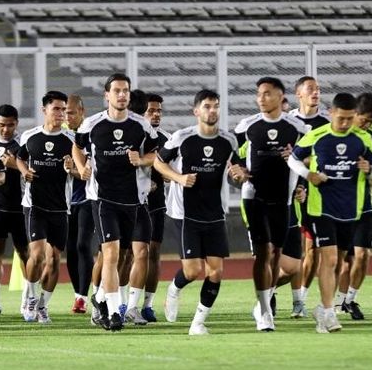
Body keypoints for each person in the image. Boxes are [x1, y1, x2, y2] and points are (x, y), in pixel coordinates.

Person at [156, 90, 247, 335]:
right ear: (196, 111)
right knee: (193, 271)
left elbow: (237, 170)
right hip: (187, 213)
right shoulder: (182, 138)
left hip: (215, 213)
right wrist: (178, 177)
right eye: (207, 106)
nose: (212, 110)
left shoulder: (228, 141)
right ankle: (174, 289)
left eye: (216, 106)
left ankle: (198, 322)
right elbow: (157, 161)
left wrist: (239, 175)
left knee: (216, 271)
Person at [72, 73, 157, 332]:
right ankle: (114, 311)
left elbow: (155, 153)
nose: (122, 95)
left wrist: (141, 160)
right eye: (117, 91)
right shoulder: (91, 124)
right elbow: (77, 147)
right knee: (110, 253)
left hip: (131, 200)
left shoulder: (141, 125)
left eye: (126, 91)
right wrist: (81, 166)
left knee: (124, 255)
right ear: (106, 95)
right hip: (102, 198)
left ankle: (99, 299)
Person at [287, 92, 372, 333]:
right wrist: (309, 175)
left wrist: (369, 170)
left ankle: (324, 308)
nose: (346, 124)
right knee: (329, 259)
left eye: (350, 118)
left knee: (339, 263)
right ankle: (327, 313)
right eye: (342, 119)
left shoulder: (364, 139)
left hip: (350, 209)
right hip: (321, 208)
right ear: (331, 114)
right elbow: (293, 160)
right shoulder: (317, 136)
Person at [233, 77, 308, 332]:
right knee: (263, 252)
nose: (261, 98)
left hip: (282, 199)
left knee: (276, 253)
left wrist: (299, 164)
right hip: (254, 197)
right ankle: (265, 311)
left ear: (280, 96)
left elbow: (311, 160)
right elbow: (231, 154)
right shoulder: (247, 126)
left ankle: (264, 302)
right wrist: (237, 171)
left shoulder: (298, 129)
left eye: (266, 94)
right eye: (259, 94)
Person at [12, 91, 78, 324]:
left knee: (54, 258)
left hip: (60, 207)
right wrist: (24, 171)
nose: (61, 113)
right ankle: (29, 297)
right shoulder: (30, 136)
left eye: (64, 109)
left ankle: (43, 305)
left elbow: (83, 173)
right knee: (37, 254)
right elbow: (18, 158)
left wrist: (72, 169)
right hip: (35, 205)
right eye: (56, 109)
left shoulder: (71, 139)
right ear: (45, 110)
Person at [335, 92, 372, 321]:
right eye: (364, 119)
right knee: (341, 261)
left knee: (362, 255)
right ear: (355, 113)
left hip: (364, 202)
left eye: (371, 121)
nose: (367, 125)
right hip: (338, 204)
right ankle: (337, 300)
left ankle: (350, 300)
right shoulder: (336, 131)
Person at [125, 90, 169, 325]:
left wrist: (163, 177)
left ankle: (147, 304)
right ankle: (112, 301)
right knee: (123, 255)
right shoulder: (131, 132)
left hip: (155, 203)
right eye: (151, 110)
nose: (156, 115)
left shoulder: (166, 139)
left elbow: (171, 171)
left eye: (159, 111)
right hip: (126, 201)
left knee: (151, 253)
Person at [0, 104, 31, 315]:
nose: (5, 130)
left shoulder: (24, 144)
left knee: (26, 254)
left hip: (21, 207)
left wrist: (13, 165)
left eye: (10, 125)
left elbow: (30, 172)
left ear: (16, 124)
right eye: (2, 125)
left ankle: (28, 299)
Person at [288, 76, 330, 313]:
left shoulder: (326, 123)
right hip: (289, 193)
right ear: (299, 94)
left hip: (316, 192)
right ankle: (269, 295)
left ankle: (300, 300)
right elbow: (283, 157)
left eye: (318, 90)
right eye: (311, 89)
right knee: (285, 252)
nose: (316, 93)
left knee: (313, 248)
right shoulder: (289, 122)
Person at [65, 94, 92, 314]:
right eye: (65, 112)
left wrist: (73, 169)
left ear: (82, 112)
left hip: (90, 198)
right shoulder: (61, 135)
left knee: (83, 244)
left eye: (72, 112)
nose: (67, 116)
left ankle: (85, 295)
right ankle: (78, 294)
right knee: (71, 248)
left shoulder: (92, 133)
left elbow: (88, 172)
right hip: (65, 202)